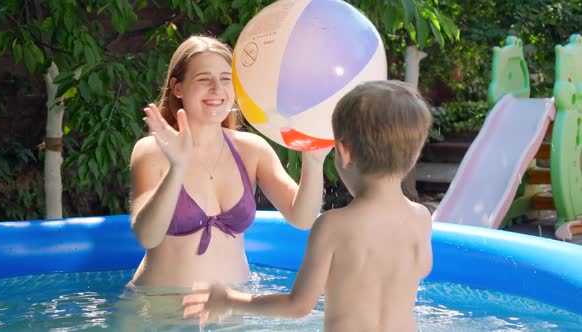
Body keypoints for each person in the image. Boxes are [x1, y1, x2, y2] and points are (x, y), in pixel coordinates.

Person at [183, 80, 434, 332]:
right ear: (414, 155)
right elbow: (422, 268)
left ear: (344, 152)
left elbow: (298, 305)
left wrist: (229, 300)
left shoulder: (333, 225)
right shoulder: (421, 218)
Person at [128, 35, 330, 289]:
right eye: (204, 79)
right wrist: (177, 169)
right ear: (177, 88)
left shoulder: (251, 150)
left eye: (226, 79)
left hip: (233, 313)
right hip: (160, 313)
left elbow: (302, 218)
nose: (217, 89)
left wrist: (313, 160)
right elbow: (147, 236)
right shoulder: (151, 151)